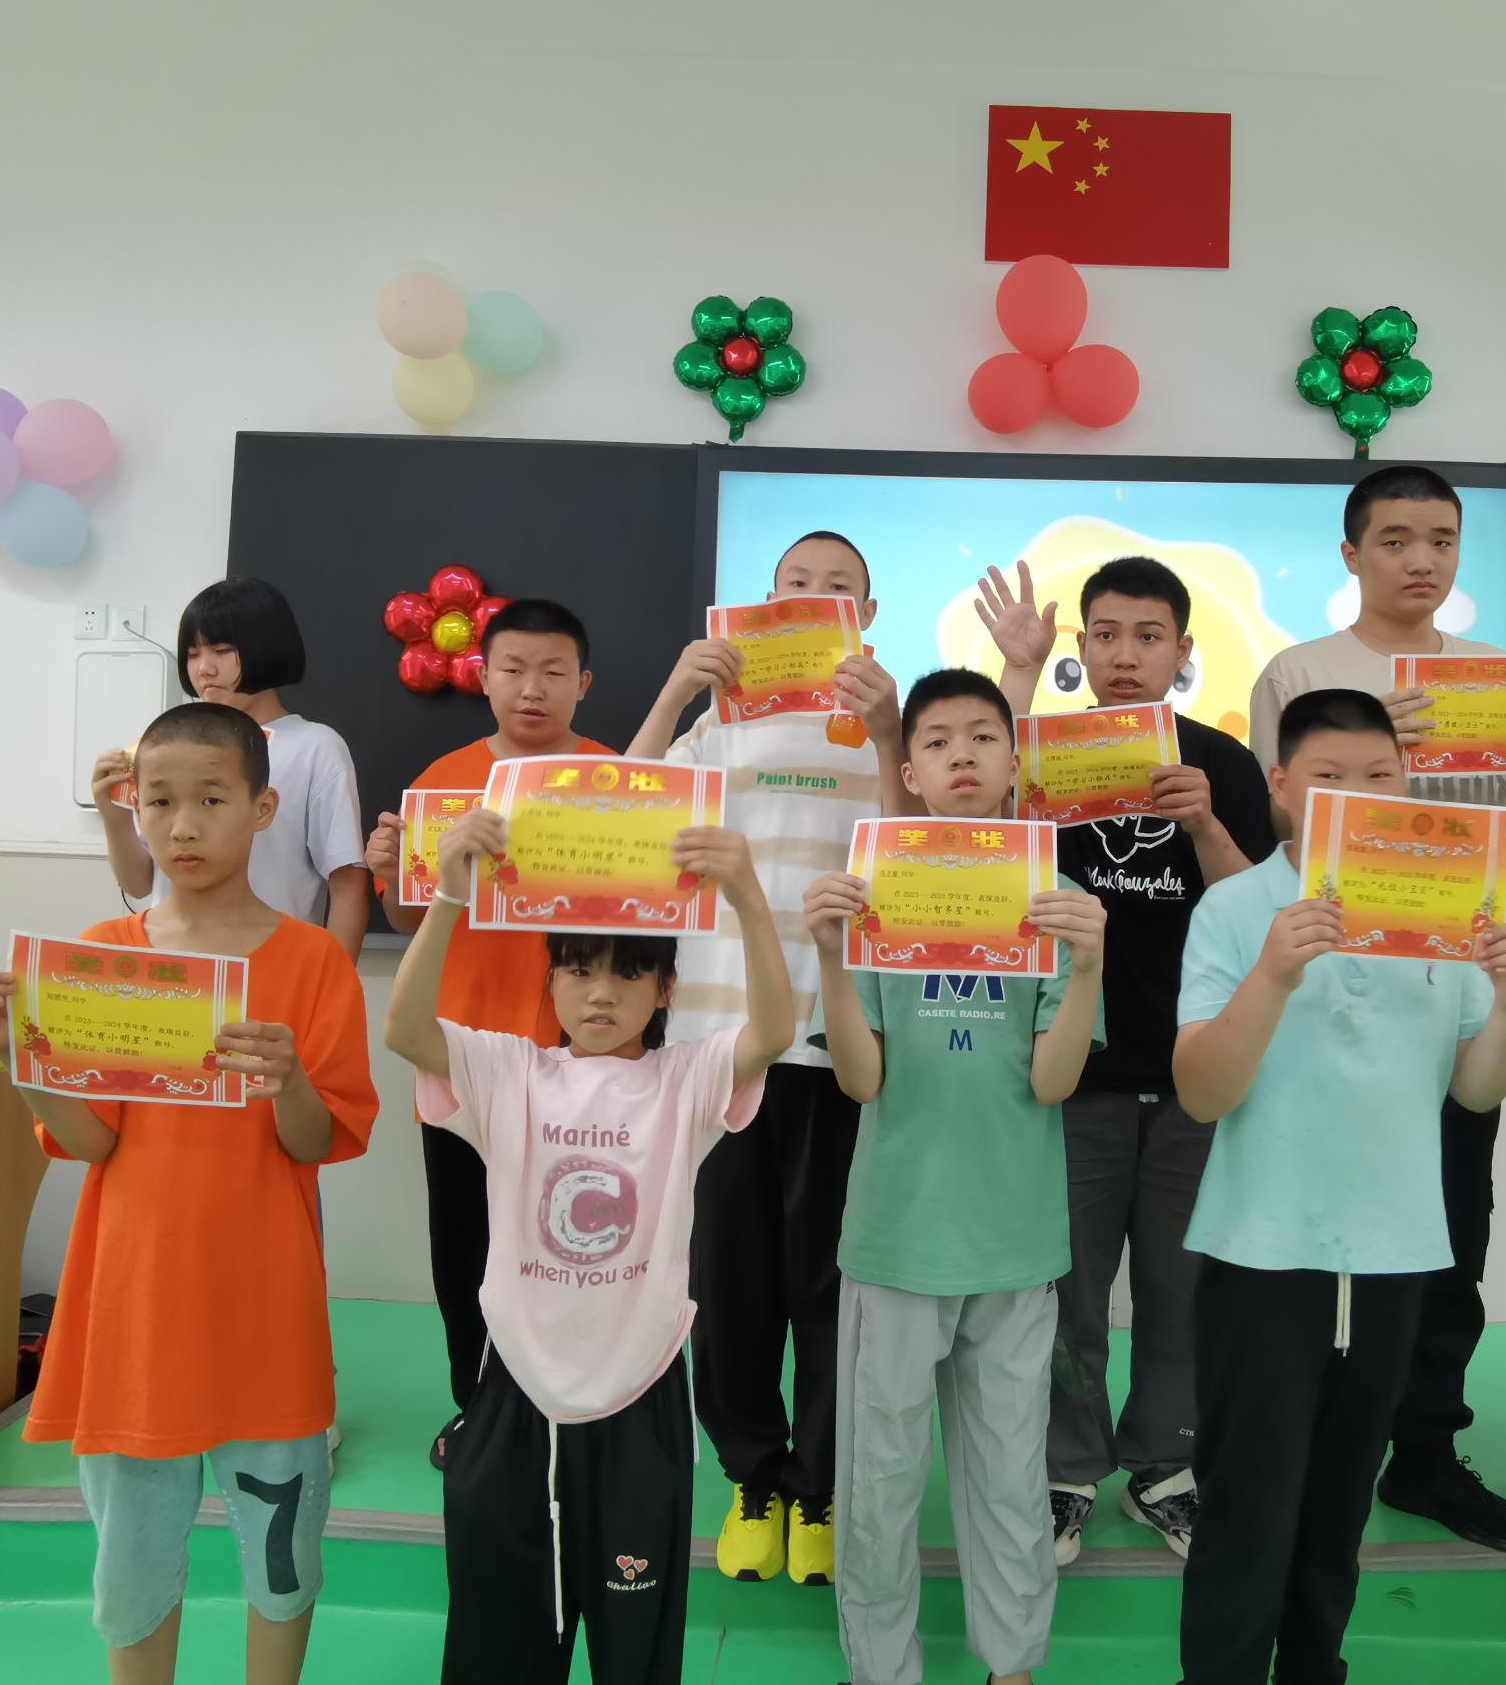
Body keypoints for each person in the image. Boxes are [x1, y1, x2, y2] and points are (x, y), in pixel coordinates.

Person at [0, 702, 378, 1685]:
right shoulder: (103, 952)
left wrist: (288, 1082)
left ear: (263, 808)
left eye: (212, 800)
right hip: (132, 1309)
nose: (183, 827)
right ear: (131, 809)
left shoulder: (312, 961)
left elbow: (317, 1142)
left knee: (283, 1562)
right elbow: (89, 1141)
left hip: (266, 1311)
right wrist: (22, 1057)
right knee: (131, 1567)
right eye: (159, 802)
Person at [1172, 688, 1506, 1685]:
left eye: (1380, 777)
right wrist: (1271, 975)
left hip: (1392, 1254)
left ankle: (1314, 1669)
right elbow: (1202, 1093)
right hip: (1259, 1255)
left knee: (1338, 1510)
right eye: (1330, 778)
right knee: (1245, 1508)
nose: (1359, 795)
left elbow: (1476, 1088)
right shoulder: (1235, 908)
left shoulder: (1452, 905)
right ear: (1281, 787)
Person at [384, 802, 796, 1685]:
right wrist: (449, 898)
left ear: (665, 990)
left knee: (635, 1656)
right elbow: (405, 1030)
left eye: (627, 973)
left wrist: (747, 897)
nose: (600, 994)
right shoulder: (509, 1072)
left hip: (640, 1397)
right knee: (497, 1650)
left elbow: (772, 1034)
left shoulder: (684, 1081)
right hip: (515, 1395)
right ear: (552, 982)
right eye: (577, 971)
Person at [1244, 465, 1506, 1553]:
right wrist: (1374, 757)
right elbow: (1276, 828)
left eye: (1440, 538)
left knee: (1451, 1228)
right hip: (1327, 994)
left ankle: (1424, 1451)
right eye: (1394, 539)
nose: (1420, 559)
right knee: (1306, 1230)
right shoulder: (1301, 672)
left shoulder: (1495, 681)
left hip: (1454, 992)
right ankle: (1303, 1441)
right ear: (1351, 554)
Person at [802, 668, 1108, 1685]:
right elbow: (862, 1081)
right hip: (896, 1239)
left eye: (983, 736)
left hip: (1015, 1241)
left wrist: (1090, 966)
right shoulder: (874, 898)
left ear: (1017, 762)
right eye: (936, 740)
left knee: (1011, 1476)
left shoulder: (1054, 906)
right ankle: (880, 1668)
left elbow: (1054, 1082)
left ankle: (1011, 1663)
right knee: (880, 1478)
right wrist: (831, 956)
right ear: (908, 770)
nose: (962, 754)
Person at [973, 555, 1275, 1565]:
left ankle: (1163, 1469)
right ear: (1083, 646)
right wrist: (1016, 676)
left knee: (1182, 1290)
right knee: (1067, 1294)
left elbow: (1257, 912)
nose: (1126, 655)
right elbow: (973, 841)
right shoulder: (1041, 757)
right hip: (1074, 1076)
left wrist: (1204, 823)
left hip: (1195, 1073)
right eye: (1105, 634)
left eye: (1149, 637)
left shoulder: (1223, 762)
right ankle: (1066, 1473)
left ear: (1183, 651)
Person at [623, 531, 900, 1587]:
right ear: (765, 601)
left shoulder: (880, 724)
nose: (814, 597)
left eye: (838, 588)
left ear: (866, 615)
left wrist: (888, 732)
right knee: (728, 1281)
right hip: (719, 1041)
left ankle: (819, 1488)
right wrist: (673, 693)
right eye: (796, 584)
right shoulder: (715, 725)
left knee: (830, 1280)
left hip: (836, 1045)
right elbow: (620, 813)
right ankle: (753, 1475)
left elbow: (919, 852)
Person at [361, 598, 614, 1470]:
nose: (532, 688)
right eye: (512, 670)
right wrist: (390, 873)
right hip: (460, 1059)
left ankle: (570, 1409)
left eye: (553, 672)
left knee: (572, 1244)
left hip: (581, 1064)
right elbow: (407, 919)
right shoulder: (443, 781)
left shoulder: (616, 780)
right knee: (466, 1247)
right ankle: (478, 1410)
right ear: (484, 678)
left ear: (583, 683)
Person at [90, 576, 370, 958]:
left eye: (222, 651)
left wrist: (333, 982)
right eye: (193, 654)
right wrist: (116, 819)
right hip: (175, 967)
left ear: (266, 647)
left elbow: (348, 883)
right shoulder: (169, 745)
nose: (204, 669)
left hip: (274, 965)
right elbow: (139, 884)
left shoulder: (315, 747)